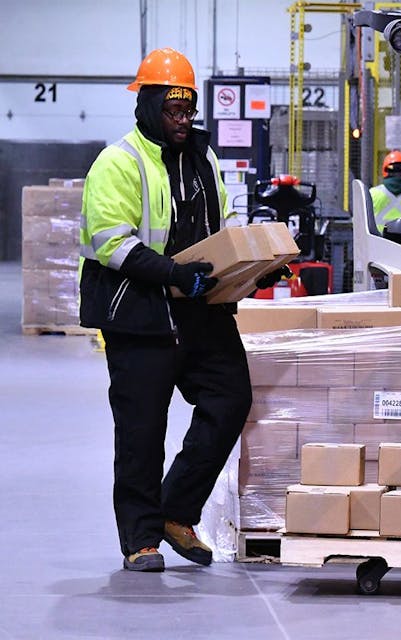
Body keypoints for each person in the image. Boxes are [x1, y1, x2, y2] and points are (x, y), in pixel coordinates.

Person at [79, 48, 285, 572]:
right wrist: (172, 273)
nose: (183, 120)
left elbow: (228, 219)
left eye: (189, 110)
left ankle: (176, 511)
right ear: (147, 105)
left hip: (200, 308)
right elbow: (111, 242)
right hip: (139, 315)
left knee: (230, 396)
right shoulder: (118, 162)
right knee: (142, 431)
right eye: (173, 111)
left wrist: (258, 262)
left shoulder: (203, 157)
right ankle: (140, 539)